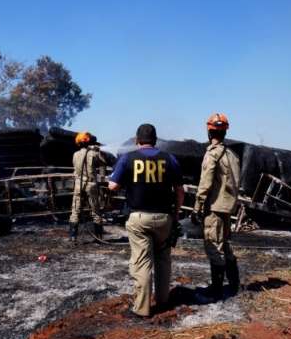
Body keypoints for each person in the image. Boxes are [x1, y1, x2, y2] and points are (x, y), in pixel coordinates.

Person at [109, 124, 184, 318]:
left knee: (142, 262)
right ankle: (163, 300)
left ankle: (142, 308)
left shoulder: (128, 158)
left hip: (139, 218)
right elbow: (180, 191)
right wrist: (175, 216)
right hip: (164, 218)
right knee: (163, 259)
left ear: (136, 140)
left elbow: (113, 186)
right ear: (156, 140)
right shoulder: (169, 159)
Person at [192, 113, 241, 302]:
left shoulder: (212, 154)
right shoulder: (232, 155)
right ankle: (234, 285)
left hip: (214, 208)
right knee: (226, 245)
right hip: (227, 207)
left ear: (209, 130)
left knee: (214, 247)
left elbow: (205, 183)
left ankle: (216, 290)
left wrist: (197, 207)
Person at [69, 132, 108, 243]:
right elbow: (103, 162)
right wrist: (98, 150)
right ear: (88, 141)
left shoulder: (75, 154)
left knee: (75, 210)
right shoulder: (94, 153)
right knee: (95, 210)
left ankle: (73, 237)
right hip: (91, 185)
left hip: (78, 184)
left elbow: (76, 169)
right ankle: (98, 238)